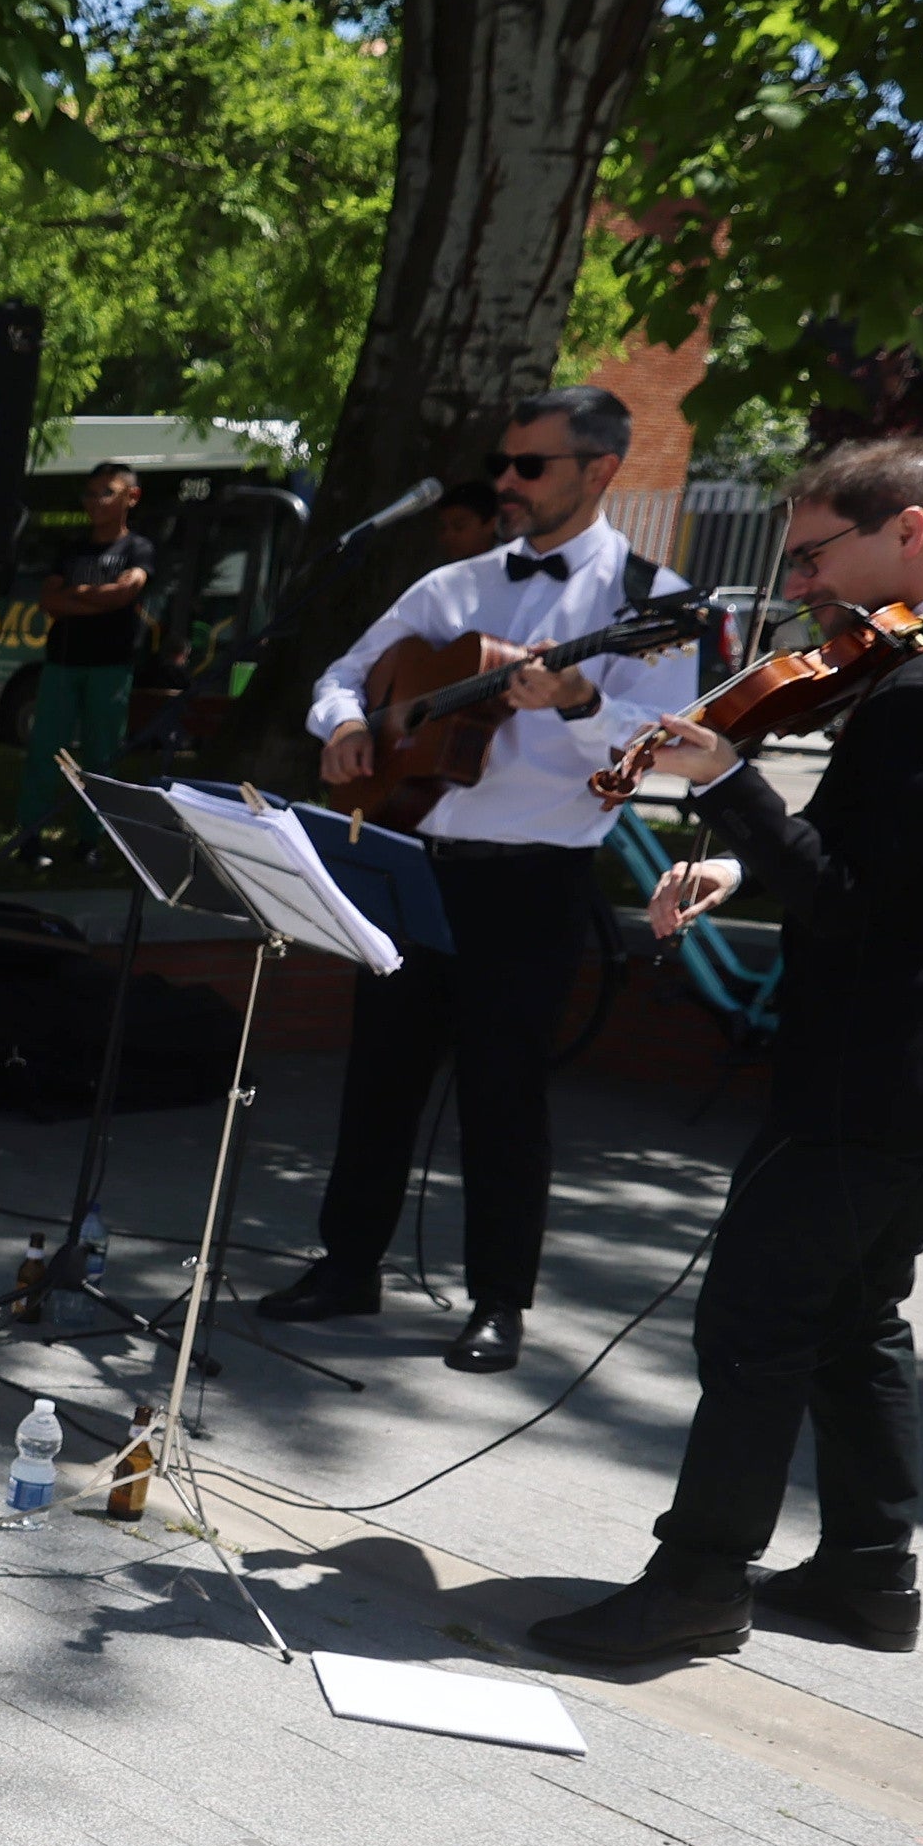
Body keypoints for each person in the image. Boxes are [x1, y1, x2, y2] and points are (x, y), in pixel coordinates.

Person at [525, 438, 923, 1672]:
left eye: (811, 551)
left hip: (887, 1062)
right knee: (852, 1314)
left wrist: (727, 779)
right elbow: (888, 851)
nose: (800, 582)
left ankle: (692, 1585)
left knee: (756, 1321)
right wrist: (739, 860)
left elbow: (839, 891)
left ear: (903, 530)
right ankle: (863, 1574)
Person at [266, 386, 708, 1373]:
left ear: (597, 470)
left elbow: (651, 755)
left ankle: (496, 1300)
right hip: (410, 851)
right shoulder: (452, 586)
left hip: (530, 881)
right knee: (376, 1074)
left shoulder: (652, 600)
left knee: (503, 1096)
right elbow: (342, 674)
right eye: (502, 462)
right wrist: (341, 725)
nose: (503, 481)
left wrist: (579, 700)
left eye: (527, 466)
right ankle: (345, 1266)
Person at [12, 463, 155, 857]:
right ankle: (31, 835)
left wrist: (77, 596)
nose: (95, 502)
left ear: (131, 497)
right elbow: (48, 601)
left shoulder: (138, 549)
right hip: (62, 662)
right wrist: (99, 598)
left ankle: (90, 840)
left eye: (106, 492)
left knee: (101, 755)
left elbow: (125, 594)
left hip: (111, 666)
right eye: (90, 494)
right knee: (45, 749)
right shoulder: (72, 548)